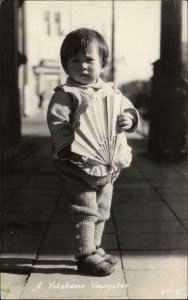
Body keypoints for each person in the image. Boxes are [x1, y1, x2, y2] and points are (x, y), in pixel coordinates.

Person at [47, 28, 139, 276]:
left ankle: (95, 247)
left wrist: (129, 120)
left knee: (102, 208)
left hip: (106, 165)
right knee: (84, 208)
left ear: (103, 63)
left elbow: (128, 110)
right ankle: (85, 254)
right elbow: (58, 123)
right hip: (75, 164)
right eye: (75, 60)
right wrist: (68, 148)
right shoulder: (66, 94)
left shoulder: (112, 92)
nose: (83, 66)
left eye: (89, 60)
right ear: (66, 65)